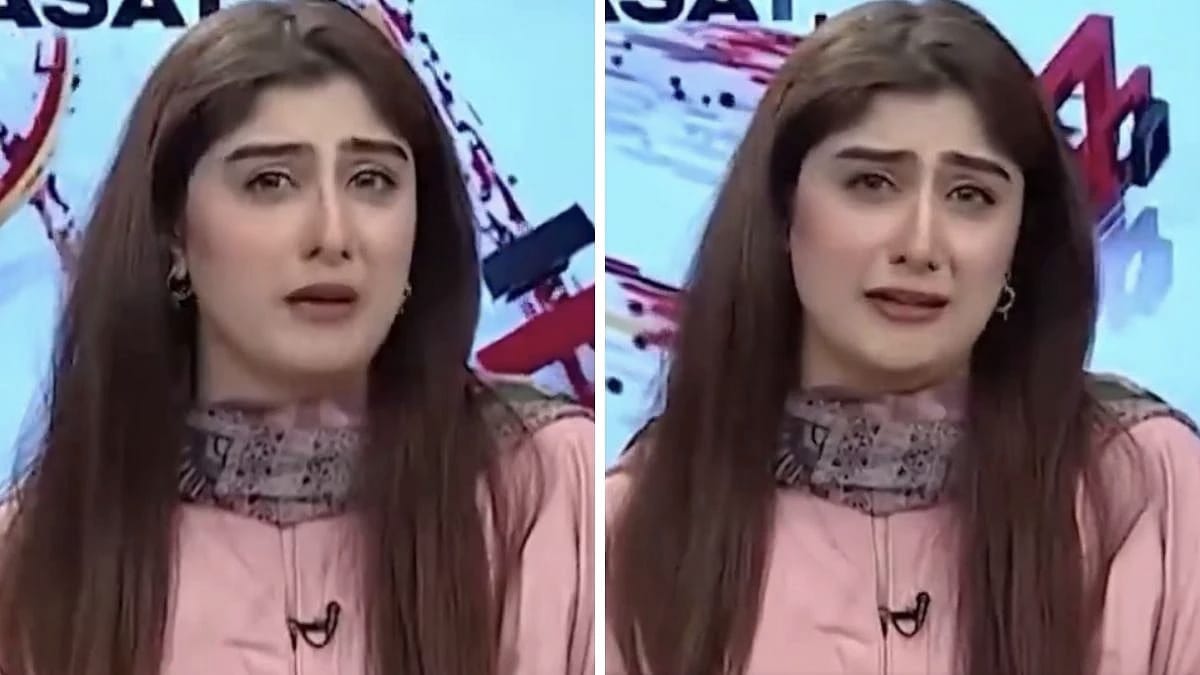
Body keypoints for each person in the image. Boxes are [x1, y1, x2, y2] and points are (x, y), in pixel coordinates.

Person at [605, 1, 1200, 674]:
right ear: (782, 210)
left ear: (1019, 239)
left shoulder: (1146, 485)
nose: (920, 245)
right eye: (872, 183)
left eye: (971, 196)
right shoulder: (636, 523)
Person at [0, 2, 594, 674]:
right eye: (270, 182)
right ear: (174, 235)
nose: (333, 235)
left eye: (372, 181)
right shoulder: (39, 559)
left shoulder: (556, 490)